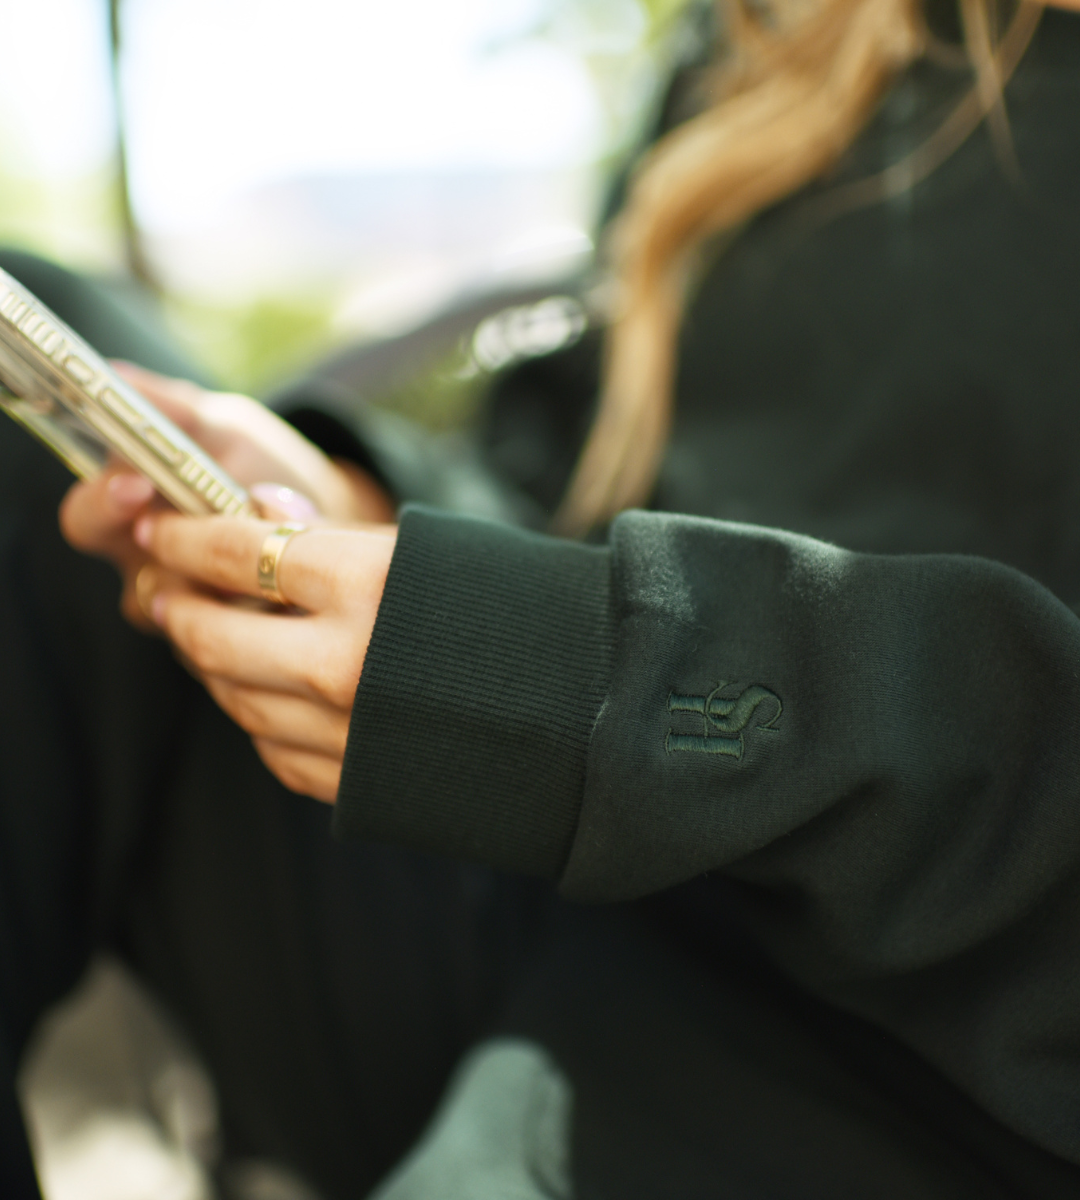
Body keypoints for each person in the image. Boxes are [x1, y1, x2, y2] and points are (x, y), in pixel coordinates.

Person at [3, 0, 1080, 1194]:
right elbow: (574, 489)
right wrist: (366, 515)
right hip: (553, 895)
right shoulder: (804, 35)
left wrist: (605, 682)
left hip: (904, 1085)